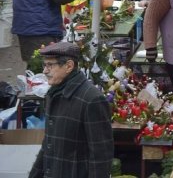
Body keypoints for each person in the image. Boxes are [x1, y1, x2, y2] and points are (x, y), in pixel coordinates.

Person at [29, 42, 113, 178]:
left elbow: (101, 156)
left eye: (50, 65)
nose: (45, 71)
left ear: (69, 66)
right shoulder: (53, 94)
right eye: (44, 65)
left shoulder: (91, 99)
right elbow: (48, 145)